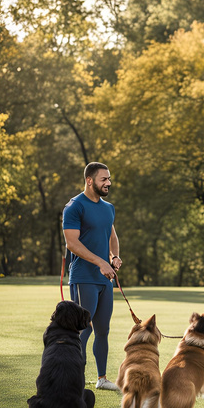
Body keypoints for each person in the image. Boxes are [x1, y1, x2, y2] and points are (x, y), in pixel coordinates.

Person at [62, 162, 122, 391]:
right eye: (103, 179)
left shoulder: (108, 208)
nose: (108, 183)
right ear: (89, 180)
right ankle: (73, 380)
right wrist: (100, 262)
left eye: (109, 179)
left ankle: (102, 378)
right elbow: (72, 243)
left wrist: (114, 256)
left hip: (104, 280)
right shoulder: (75, 207)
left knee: (103, 330)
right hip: (83, 277)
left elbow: (111, 235)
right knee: (82, 330)